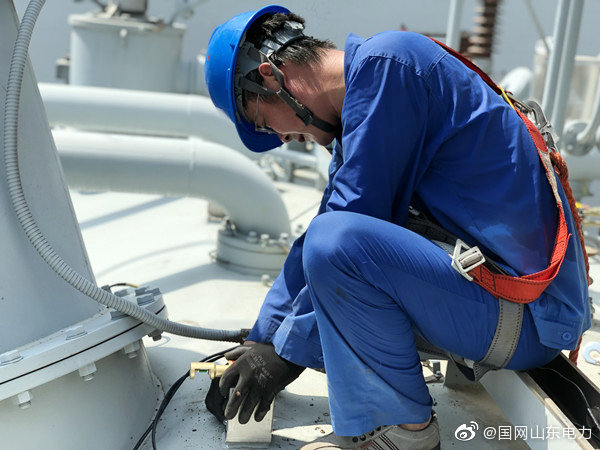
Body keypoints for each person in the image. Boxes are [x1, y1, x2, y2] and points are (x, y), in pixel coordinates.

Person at [204, 5, 590, 449]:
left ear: (271, 77)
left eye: (261, 122)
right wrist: (263, 340)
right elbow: (325, 226)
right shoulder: (366, 100)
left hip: (522, 319)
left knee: (337, 243)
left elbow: (346, 234)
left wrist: (283, 357)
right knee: (330, 237)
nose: (279, 138)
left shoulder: (390, 67)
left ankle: (400, 432)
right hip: (502, 308)